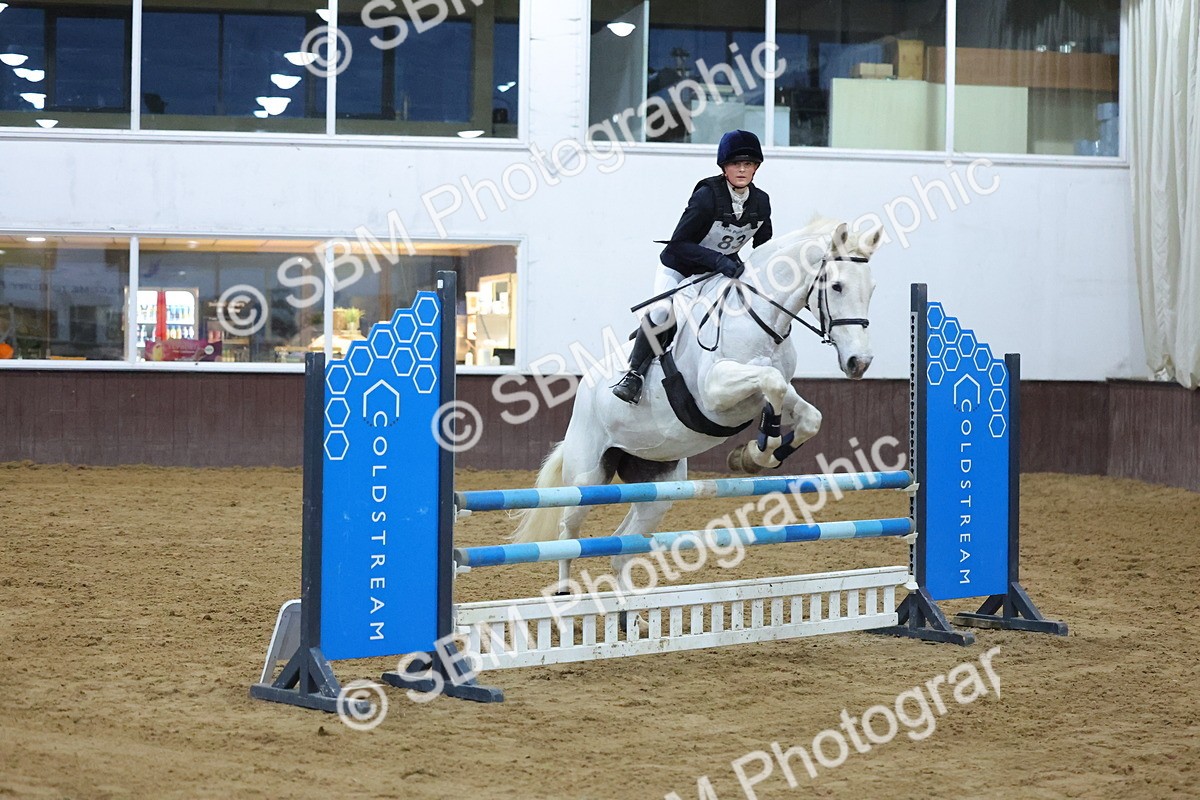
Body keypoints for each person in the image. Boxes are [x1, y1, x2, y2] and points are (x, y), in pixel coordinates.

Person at [612, 129, 773, 404]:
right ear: (724, 167)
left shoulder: (761, 202)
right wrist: (719, 260)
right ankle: (634, 375)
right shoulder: (706, 197)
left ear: (756, 167)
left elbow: (764, 245)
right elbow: (678, 244)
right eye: (736, 164)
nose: (742, 169)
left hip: (719, 271)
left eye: (748, 164)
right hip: (680, 267)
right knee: (663, 313)